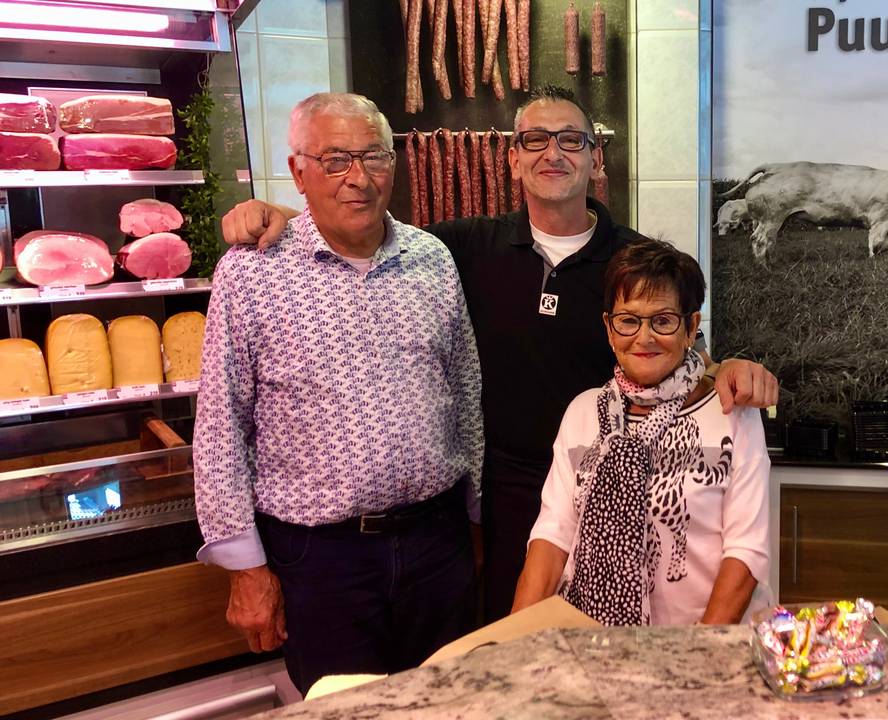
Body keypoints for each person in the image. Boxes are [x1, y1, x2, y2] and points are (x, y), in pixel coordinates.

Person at [219, 85, 779, 623]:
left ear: (595, 158)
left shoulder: (634, 258)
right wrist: (286, 219)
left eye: (572, 140)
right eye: (535, 140)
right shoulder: (459, 248)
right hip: (504, 498)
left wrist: (728, 368)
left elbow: (681, 349)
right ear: (512, 160)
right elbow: (366, 230)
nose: (553, 153)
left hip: (624, 476)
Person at [194, 92, 483, 694]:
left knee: (451, 704)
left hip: (438, 543)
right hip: (322, 560)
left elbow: (466, 394)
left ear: (394, 164)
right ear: (299, 171)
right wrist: (245, 569)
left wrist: (474, 519)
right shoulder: (251, 272)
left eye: (373, 157)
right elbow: (222, 428)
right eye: (334, 160)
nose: (358, 178)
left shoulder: (432, 259)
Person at [511, 238, 771, 624]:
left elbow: (746, 551)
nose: (644, 337)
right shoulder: (583, 412)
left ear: (691, 326)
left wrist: (695, 652)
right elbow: (553, 535)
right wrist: (514, 637)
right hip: (589, 641)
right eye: (628, 320)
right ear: (609, 328)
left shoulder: (733, 414)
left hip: (699, 647)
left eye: (663, 320)